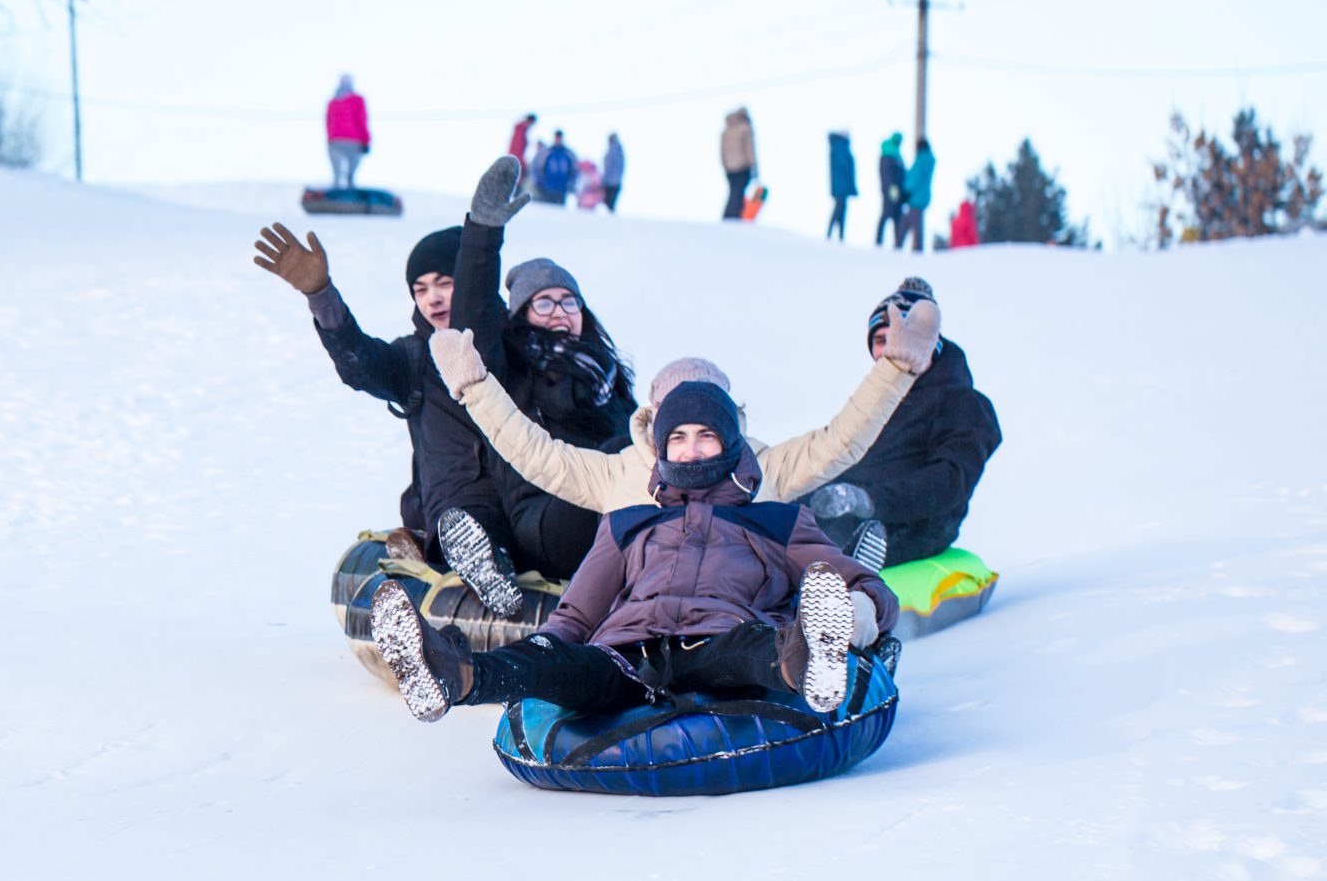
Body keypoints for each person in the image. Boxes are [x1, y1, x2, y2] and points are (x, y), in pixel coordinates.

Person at [368, 380, 900, 725]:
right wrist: (543, 656)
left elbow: (867, 586)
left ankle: (807, 658)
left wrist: (856, 617)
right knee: (558, 661)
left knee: (752, 645)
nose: (691, 450)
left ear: (731, 444)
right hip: (627, 657)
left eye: (706, 436)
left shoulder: (777, 521)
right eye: (678, 439)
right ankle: (456, 674)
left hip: (722, 643)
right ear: (662, 449)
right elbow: (576, 616)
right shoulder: (627, 523)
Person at [425, 293, 941, 516]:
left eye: (708, 423)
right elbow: (536, 454)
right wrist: (476, 389)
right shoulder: (623, 473)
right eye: (678, 421)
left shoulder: (762, 468)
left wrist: (895, 370)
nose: (692, 443)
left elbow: (841, 441)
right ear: (656, 417)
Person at [423, 156, 640, 610]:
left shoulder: (609, 376)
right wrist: (483, 231)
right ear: (522, 314)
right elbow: (474, 319)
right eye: (544, 303)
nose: (560, 311)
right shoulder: (511, 367)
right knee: (622, 454)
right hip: (544, 520)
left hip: (608, 508)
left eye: (569, 301)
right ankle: (486, 562)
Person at [252, 221, 464, 560]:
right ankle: (429, 556)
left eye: (445, 284)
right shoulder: (413, 359)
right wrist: (321, 295)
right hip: (448, 513)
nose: (432, 299)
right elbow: (359, 363)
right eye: (420, 290)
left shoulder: (512, 344)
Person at [802, 277, 1001, 568]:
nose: (889, 350)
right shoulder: (878, 403)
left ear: (930, 343)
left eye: (899, 337)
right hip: (848, 510)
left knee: (835, 537)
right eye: (880, 341)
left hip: (914, 525)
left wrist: (868, 500)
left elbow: (949, 481)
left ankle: (846, 574)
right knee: (780, 515)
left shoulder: (963, 403)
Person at [325, 75, 370, 190]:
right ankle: (350, 187)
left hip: (335, 140)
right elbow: (361, 120)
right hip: (353, 140)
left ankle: (336, 189)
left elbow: (328, 122)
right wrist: (366, 140)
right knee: (351, 174)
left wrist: (330, 139)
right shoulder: (357, 100)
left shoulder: (332, 102)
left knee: (337, 174)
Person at [896, 138, 934, 253]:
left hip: (915, 197)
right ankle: (909, 248)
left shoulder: (921, 159)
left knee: (908, 225)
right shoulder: (929, 160)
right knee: (915, 224)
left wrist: (905, 190)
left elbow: (914, 177)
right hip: (923, 197)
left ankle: (902, 248)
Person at [721, 108, 756, 220]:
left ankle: (728, 216)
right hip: (742, 166)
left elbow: (722, 151)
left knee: (733, 192)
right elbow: (750, 149)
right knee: (738, 193)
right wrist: (753, 166)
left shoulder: (726, 130)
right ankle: (735, 217)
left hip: (729, 168)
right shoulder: (745, 129)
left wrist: (725, 166)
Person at [875, 132, 906, 247]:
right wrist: (891, 190)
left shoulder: (897, 155)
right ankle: (878, 242)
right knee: (887, 214)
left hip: (897, 191)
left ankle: (897, 244)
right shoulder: (888, 155)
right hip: (891, 191)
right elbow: (887, 175)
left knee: (897, 216)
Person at [827, 130, 856, 241]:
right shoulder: (840, 146)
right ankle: (831, 234)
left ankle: (840, 235)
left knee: (842, 209)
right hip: (841, 184)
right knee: (839, 208)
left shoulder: (841, 146)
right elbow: (844, 166)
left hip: (843, 184)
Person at [539, 130, 578, 206]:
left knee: (559, 209)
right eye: (557, 137)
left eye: (559, 138)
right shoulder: (548, 152)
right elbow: (540, 168)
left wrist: (571, 184)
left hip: (562, 188)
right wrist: (541, 183)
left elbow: (574, 170)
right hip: (548, 187)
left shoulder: (567, 153)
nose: (558, 140)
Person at [600, 133, 625, 212]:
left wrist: (605, 179)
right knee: (608, 203)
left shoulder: (614, 151)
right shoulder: (617, 150)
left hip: (612, 182)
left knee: (609, 203)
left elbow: (611, 167)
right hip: (614, 181)